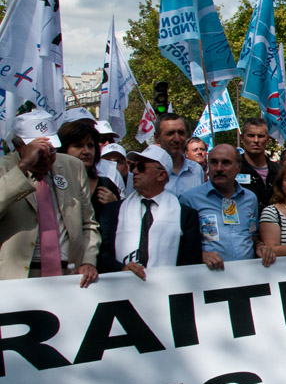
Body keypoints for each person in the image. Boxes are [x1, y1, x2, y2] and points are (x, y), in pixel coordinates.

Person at [0, 110, 100, 286]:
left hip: (68, 274)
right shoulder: (4, 169)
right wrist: (23, 168)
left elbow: (88, 223)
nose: (46, 155)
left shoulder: (73, 167)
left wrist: (88, 260)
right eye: (38, 150)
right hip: (18, 277)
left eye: (51, 148)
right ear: (18, 146)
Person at [98, 145, 202, 279]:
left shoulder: (186, 215)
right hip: (122, 290)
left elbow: (190, 264)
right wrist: (121, 268)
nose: (134, 171)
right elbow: (102, 254)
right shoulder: (112, 211)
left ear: (161, 175)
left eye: (141, 167)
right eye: (133, 166)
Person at [179, 144, 276, 270]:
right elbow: (178, 246)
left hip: (247, 276)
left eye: (226, 163)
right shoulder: (189, 199)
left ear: (238, 168)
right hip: (208, 277)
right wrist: (201, 255)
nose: (219, 168)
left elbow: (252, 235)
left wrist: (259, 246)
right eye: (214, 162)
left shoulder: (250, 198)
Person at [57, 119, 120, 219]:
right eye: (78, 146)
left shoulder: (106, 185)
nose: (86, 151)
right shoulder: (54, 183)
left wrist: (115, 205)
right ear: (64, 150)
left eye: (90, 146)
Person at [154, 113, 205, 196]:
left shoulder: (196, 170)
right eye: (170, 133)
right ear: (157, 138)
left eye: (181, 133)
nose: (177, 139)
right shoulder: (149, 172)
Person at [237, 117, 280, 207]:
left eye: (260, 136)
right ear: (242, 138)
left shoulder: (279, 171)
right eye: (251, 135)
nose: (256, 140)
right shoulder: (233, 169)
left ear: (267, 139)